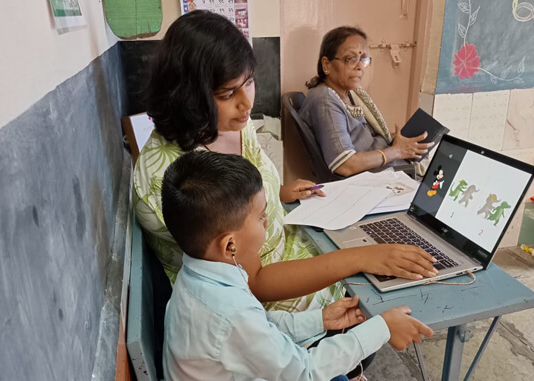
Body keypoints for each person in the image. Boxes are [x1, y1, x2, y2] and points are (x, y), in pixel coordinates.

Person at [133, 11, 438, 314]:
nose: (247, 103)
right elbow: (252, 283)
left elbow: (239, 201)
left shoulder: (230, 123)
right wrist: (359, 259)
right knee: (397, 292)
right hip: (262, 309)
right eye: (228, 93)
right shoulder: (173, 176)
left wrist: (278, 193)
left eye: (249, 82)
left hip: (292, 247)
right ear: (187, 96)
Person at [161, 150, 434, 381]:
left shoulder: (199, 275)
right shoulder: (228, 312)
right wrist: (383, 327)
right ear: (230, 245)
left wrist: (319, 320)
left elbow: (261, 326)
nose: (267, 222)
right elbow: (305, 372)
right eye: (261, 217)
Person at [300, 26, 433, 177]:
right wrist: (397, 151)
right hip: (376, 179)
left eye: (363, 59)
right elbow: (345, 165)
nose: (359, 67)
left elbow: (362, 138)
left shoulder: (348, 94)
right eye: (350, 59)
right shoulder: (324, 99)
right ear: (326, 65)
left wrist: (394, 141)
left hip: (387, 168)